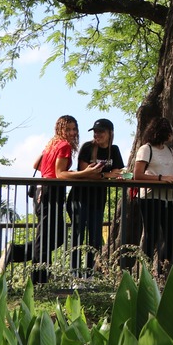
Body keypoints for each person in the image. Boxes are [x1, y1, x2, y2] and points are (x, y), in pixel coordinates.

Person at [0, 115, 104, 283]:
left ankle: (18, 253)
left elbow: (36, 165)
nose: (71, 133)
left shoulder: (52, 143)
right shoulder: (63, 146)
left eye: (74, 129)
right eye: (67, 129)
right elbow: (60, 174)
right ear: (59, 129)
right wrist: (87, 173)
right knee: (45, 236)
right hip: (51, 192)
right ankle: (39, 280)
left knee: (58, 236)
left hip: (44, 191)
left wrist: (49, 170)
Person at [68, 118, 125, 278]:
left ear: (110, 133)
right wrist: (106, 175)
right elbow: (85, 172)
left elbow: (119, 172)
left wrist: (123, 175)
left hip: (98, 199)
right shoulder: (87, 147)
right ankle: (74, 274)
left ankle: (90, 274)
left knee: (95, 238)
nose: (97, 134)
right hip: (80, 197)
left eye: (101, 131)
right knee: (78, 235)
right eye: (95, 131)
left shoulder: (114, 150)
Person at [134, 117, 173, 274]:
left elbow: (169, 173)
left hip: (167, 198)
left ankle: (162, 270)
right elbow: (138, 175)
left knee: (172, 235)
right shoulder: (146, 149)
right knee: (151, 234)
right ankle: (144, 272)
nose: (172, 134)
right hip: (149, 197)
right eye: (170, 131)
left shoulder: (169, 151)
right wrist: (160, 178)